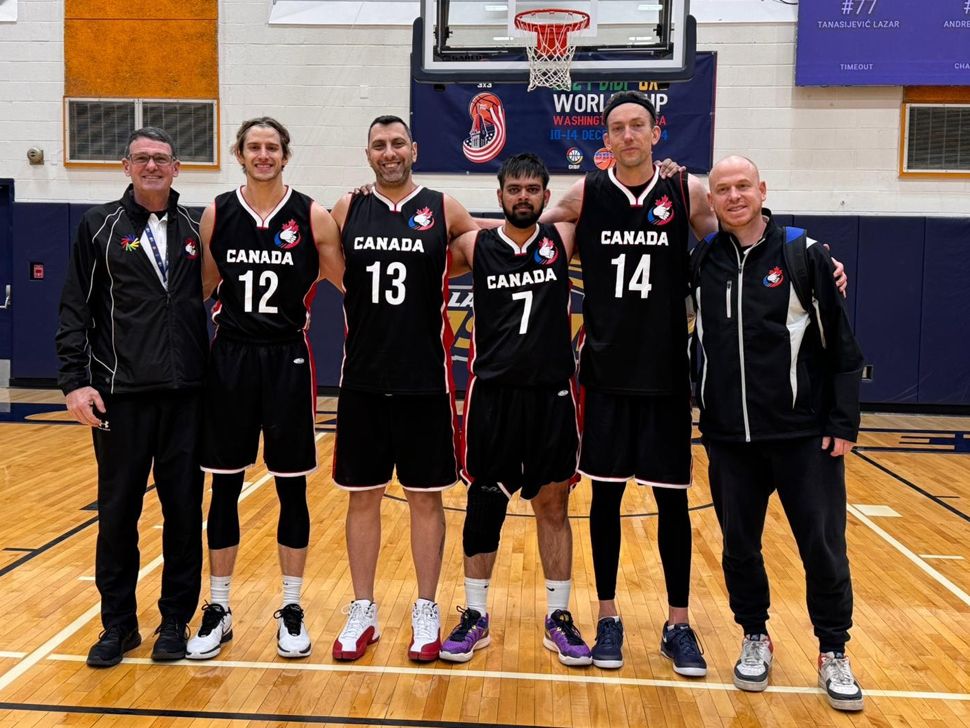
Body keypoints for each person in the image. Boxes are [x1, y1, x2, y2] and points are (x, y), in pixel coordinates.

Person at [540, 91, 718, 674]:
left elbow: (737, 239)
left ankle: (678, 624)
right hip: (609, 371)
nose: (628, 135)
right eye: (617, 128)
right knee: (607, 498)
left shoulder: (685, 190)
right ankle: (608, 617)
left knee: (672, 504)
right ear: (606, 140)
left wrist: (813, 257)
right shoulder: (586, 193)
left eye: (637, 125)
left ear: (655, 131)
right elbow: (524, 229)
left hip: (666, 372)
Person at [691, 155, 865, 711]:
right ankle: (754, 636)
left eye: (744, 186)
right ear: (712, 201)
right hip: (729, 439)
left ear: (762, 190)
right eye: (724, 189)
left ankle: (833, 650)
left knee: (821, 546)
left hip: (801, 436)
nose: (735, 196)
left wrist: (842, 422)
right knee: (740, 547)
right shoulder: (702, 261)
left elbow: (840, 344)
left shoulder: (803, 254)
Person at [185, 117, 343, 660]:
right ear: (239, 153)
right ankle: (220, 606)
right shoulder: (217, 212)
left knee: (291, 487)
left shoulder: (312, 214)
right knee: (223, 486)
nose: (263, 155)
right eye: (254, 147)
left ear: (285, 154)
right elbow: (203, 288)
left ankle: (292, 606)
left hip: (287, 359)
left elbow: (349, 282)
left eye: (272, 147)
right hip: (228, 357)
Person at [329, 115, 479, 662]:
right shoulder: (347, 209)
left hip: (425, 381)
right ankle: (363, 608)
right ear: (367, 153)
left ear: (414, 148)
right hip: (364, 378)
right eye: (379, 145)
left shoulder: (442, 206)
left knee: (424, 498)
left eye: (397, 144)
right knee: (362, 498)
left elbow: (493, 240)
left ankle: (425, 606)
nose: (389, 152)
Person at [56, 127, 208, 667]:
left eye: (160, 158)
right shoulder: (98, 226)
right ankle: (118, 626)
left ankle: (174, 620)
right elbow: (75, 308)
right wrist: (74, 382)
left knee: (184, 514)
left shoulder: (199, 226)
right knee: (117, 515)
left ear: (176, 168)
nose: (151, 166)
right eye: (141, 158)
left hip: (187, 397)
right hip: (120, 397)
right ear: (125, 166)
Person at [438, 153, 591, 666]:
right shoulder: (476, 245)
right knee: (485, 502)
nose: (523, 195)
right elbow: (420, 233)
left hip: (551, 394)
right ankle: (476, 616)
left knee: (553, 506)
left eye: (532, 188)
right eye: (514, 189)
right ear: (500, 195)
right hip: (493, 394)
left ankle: (559, 617)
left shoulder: (563, 239)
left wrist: (672, 173)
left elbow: (597, 193)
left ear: (546, 197)